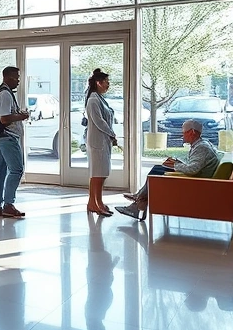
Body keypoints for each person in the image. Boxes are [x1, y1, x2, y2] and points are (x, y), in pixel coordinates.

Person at [115, 119, 221, 220]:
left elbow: (192, 169)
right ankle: (139, 200)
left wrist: (174, 166)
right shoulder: (201, 144)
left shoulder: (201, 147)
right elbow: (195, 165)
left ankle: (139, 202)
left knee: (156, 173)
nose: (182, 135)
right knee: (157, 169)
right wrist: (176, 163)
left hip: (196, 184)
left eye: (184, 132)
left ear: (192, 132)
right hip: (198, 180)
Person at [0, 66, 29, 218]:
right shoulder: (5, 94)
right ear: (8, 77)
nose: (18, 81)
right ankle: (8, 205)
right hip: (6, 138)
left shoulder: (0, 92)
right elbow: (4, 118)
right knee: (17, 170)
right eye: (16, 77)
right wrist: (21, 116)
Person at [84, 69, 117, 216]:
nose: (108, 85)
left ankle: (98, 201)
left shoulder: (99, 98)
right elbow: (99, 121)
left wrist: (110, 135)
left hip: (103, 140)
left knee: (102, 173)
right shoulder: (93, 100)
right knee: (97, 174)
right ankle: (93, 203)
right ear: (99, 83)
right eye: (106, 82)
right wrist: (111, 133)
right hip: (97, 141)